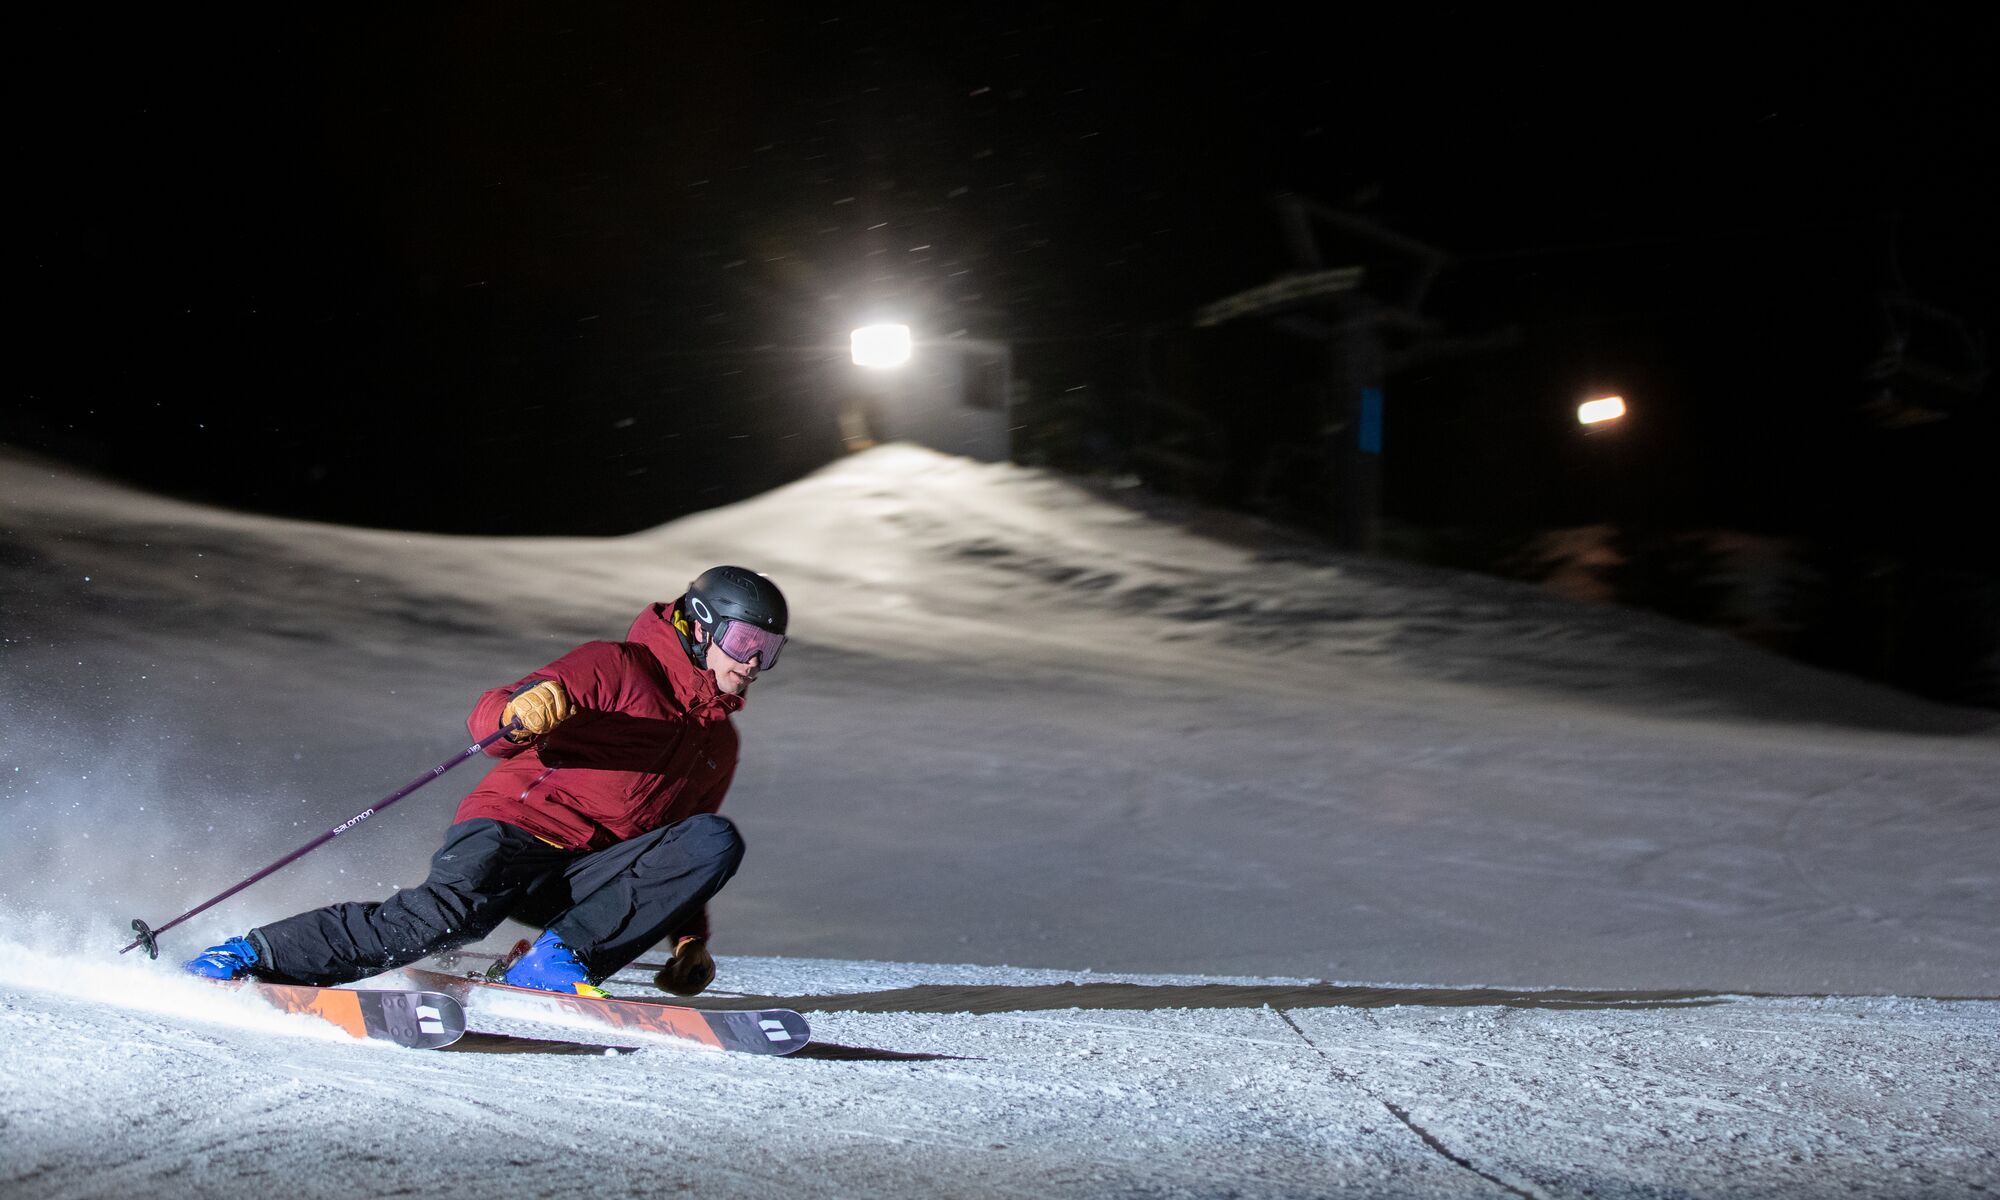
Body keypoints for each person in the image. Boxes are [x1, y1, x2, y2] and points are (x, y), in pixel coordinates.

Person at [182, 565, 789, 998]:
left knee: (713, 838)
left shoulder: (718, 743)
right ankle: (250, 954)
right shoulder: (619, 667)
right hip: (517, 830)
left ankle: (554, 961)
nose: (753, 663)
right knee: (448, 918)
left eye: (770, 650)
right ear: (701, 627)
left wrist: (688, 938)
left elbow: (676, 851)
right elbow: (492, 727)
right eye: (744, 642)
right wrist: (518, 713)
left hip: (580, 879)